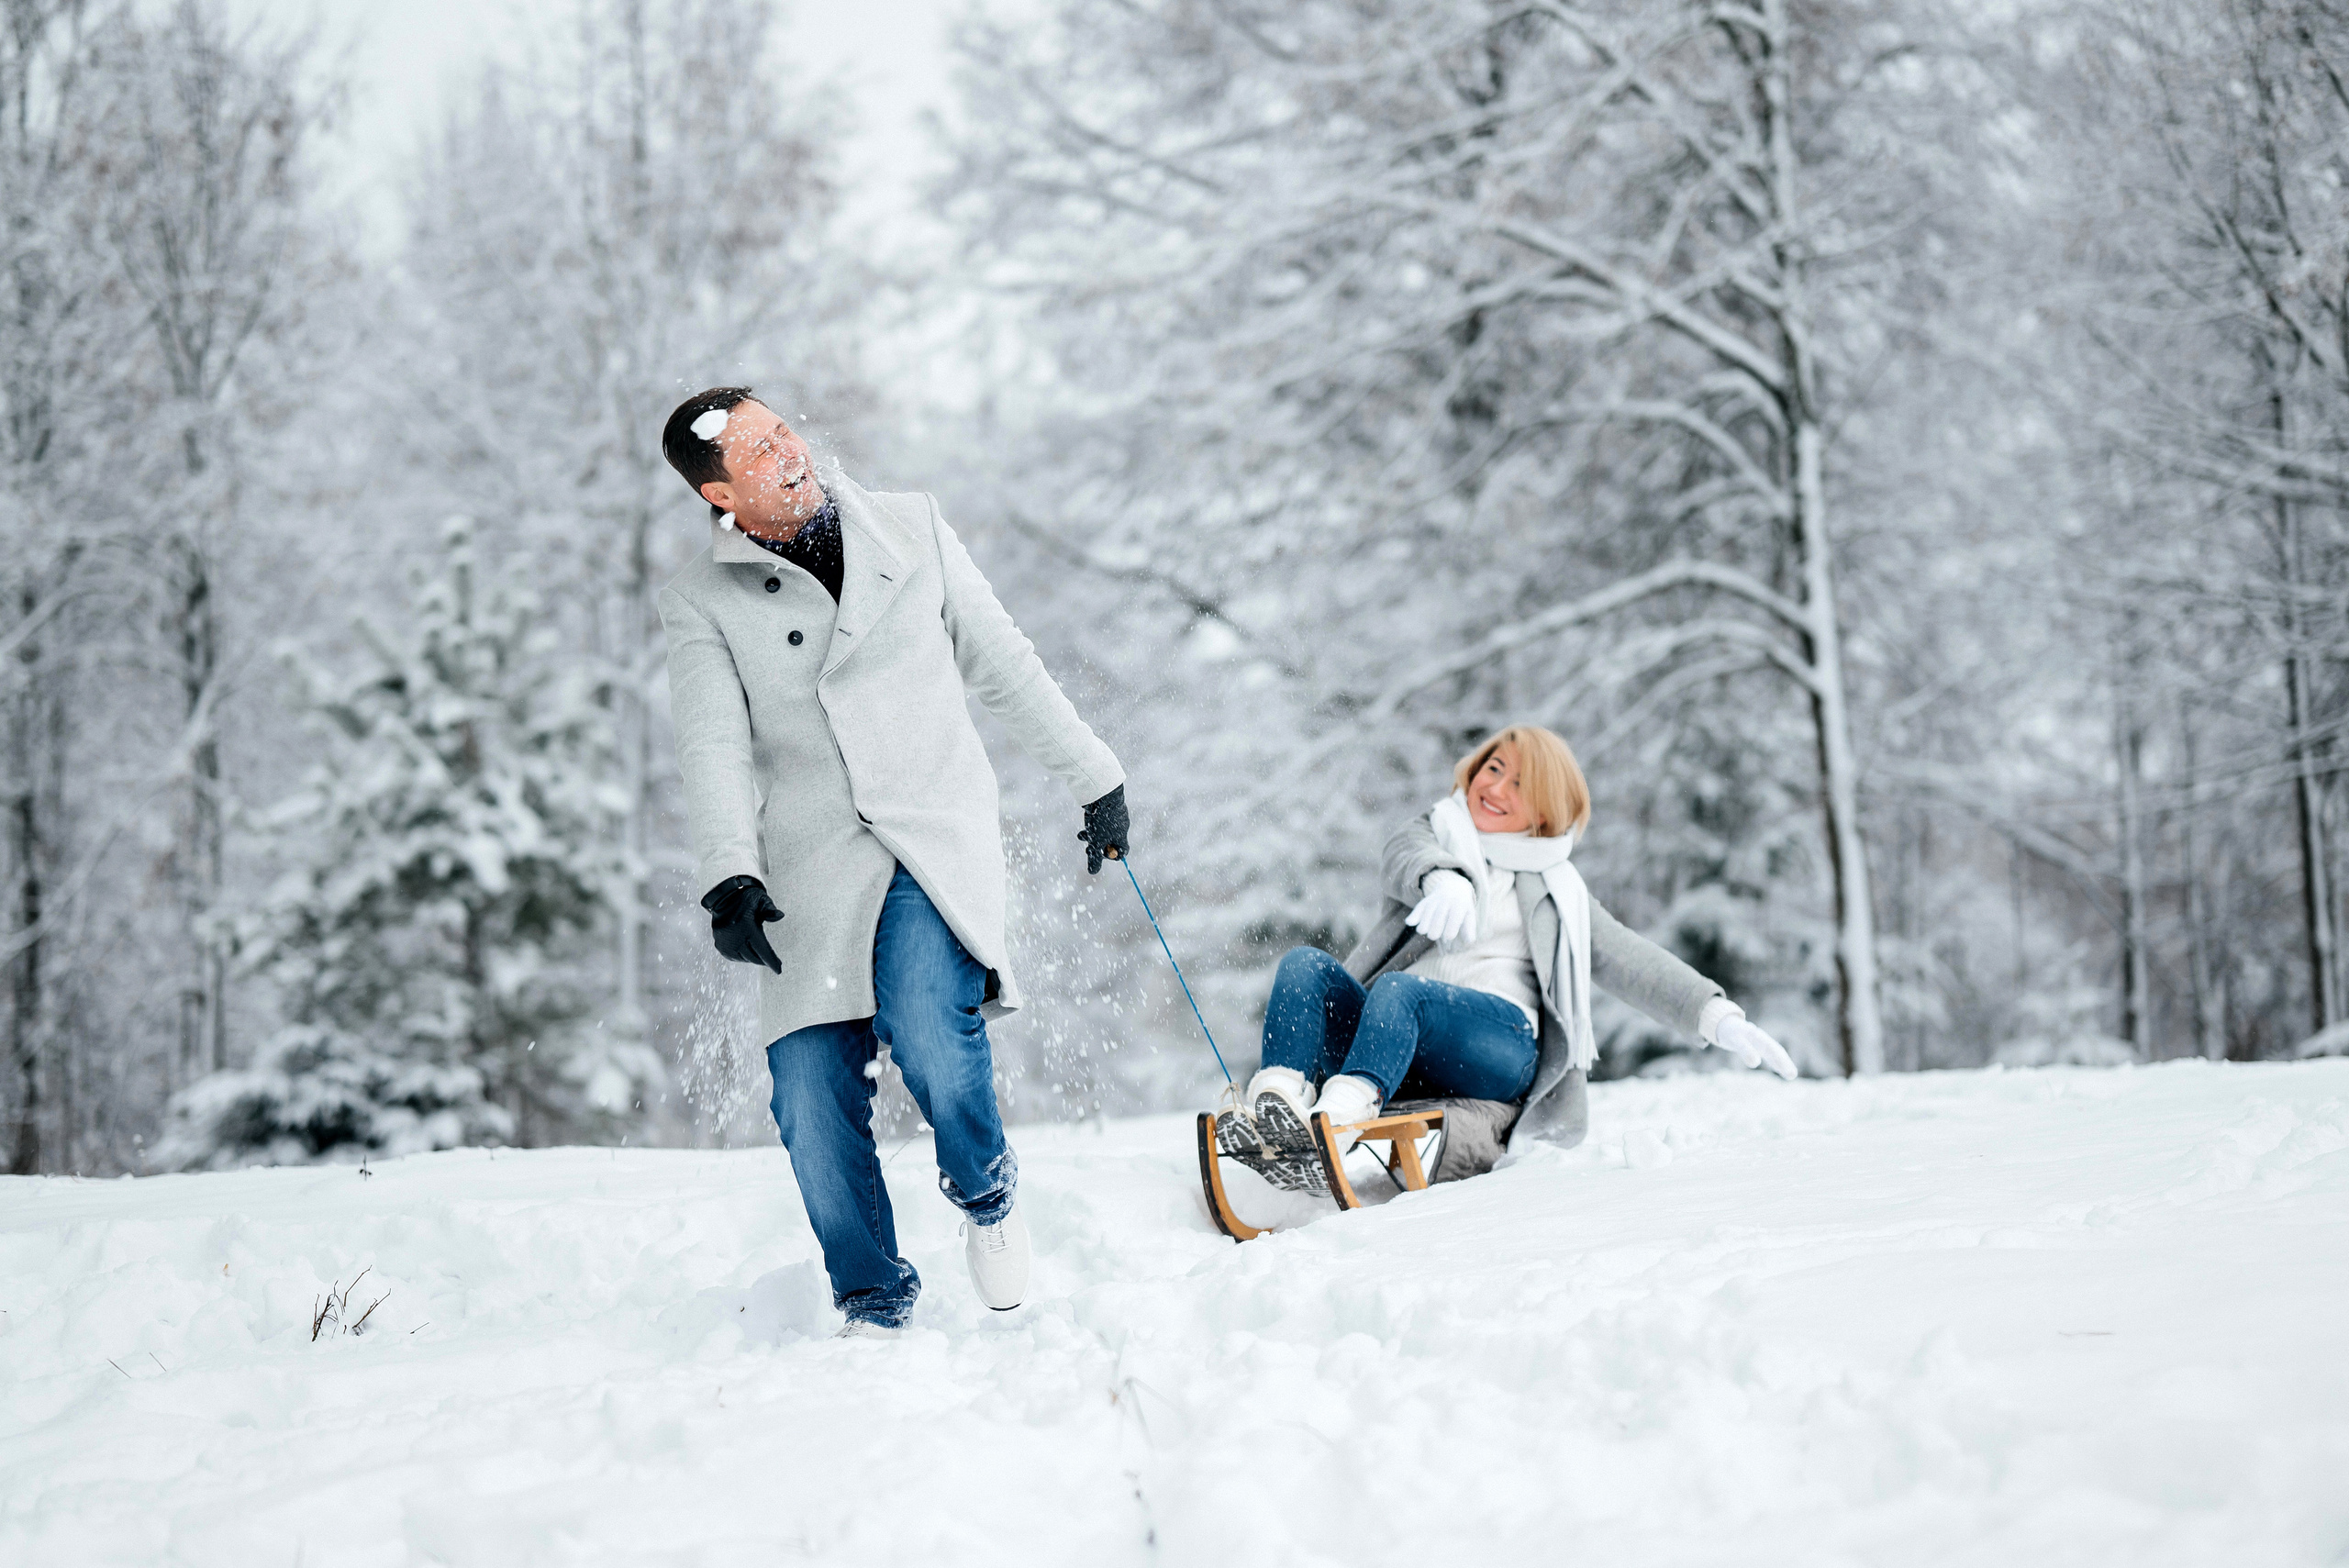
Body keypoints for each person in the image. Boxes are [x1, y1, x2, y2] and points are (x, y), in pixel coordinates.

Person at [657, 387, 1130, 1335]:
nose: (787, 453)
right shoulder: (702, 601)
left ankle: (987, 1196)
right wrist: (728, 873)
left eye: (781, 430)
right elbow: (711, 744)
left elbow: (1002, 661)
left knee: (928, 1022)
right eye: (755, 452)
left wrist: (1095, 777)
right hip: (809, 863)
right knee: (808, 1095)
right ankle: (872, 1300)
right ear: (718, 492)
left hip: (928, 829)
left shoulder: (908, 526)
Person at [1222, 725, 1794, 1176]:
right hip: (1394, 1039)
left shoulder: (1559, 892)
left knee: (1403, 991)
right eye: (1492, 769)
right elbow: (1404, 852)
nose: (1494, 788)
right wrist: (1441, 877)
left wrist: (1715, 1016)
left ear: (1545, 811)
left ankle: (1341, 1117)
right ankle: (1279, 1107)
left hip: (1497, 1048)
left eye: (1518, 784)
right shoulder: (1436, 833)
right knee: (1305, 967)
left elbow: (1630, 960)